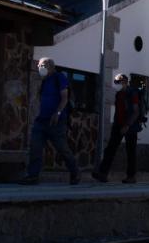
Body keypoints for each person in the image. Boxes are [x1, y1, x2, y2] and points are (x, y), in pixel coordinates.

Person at [20, 57, 80, 185]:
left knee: (62, 149)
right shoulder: (44, 81)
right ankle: (32, 176)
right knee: (35, 148)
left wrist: (57, 113)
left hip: (56, 121)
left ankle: (75, 172)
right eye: (39, 65)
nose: (39, 68)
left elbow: (65, 97)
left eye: (42, 65)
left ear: (51, 66)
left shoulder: (59, 78)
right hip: (41, 120)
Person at [92, 73, 141, 183]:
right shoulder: (118, 94)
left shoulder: (132, 93)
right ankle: (103, 173)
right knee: (110, 148)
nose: (115, 84)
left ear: (124, 81)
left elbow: (136, 111)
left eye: (117, 82)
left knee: (130, 151)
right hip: (118, 124)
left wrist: (127, 125)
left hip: (130, 126)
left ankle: (131, 176)